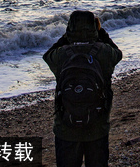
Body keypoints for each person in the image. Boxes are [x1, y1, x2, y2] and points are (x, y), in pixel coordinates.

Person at [44, 10, 123, 167]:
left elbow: (47, 55)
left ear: (69, 29)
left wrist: (68, 36)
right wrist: (100, 33)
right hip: (97, 126)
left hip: (66, 127)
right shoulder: (104, 52)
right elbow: (118, 54)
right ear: (94, 27)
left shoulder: (61, 54)